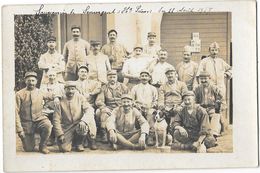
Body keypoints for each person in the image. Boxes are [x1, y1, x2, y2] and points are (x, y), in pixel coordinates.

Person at [16, 72, 59, 154]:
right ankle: (28, 139)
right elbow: (15, 113)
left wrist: (56, 97)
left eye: (33, 80)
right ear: (25, 81)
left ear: (36, 81)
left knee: (48, 125)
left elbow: (52, 95)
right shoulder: (19, 94)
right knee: (29, 149)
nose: (31, 83)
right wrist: (20, 130)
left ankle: (42, 145)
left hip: (39, 120)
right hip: (26, 123)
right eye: (29, 80)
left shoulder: (40, 92)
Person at [53, 81, 97, 152]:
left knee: (83, 127)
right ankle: (72, 140)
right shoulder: (60, 100)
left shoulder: (80, 97)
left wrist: (84, 121)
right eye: (68, 89)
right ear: (65, 89)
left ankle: (79, 143)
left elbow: (89, 109)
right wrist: (60, 134)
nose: (70, 91)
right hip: (66, 127)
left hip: (78, 124)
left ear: (75, 90)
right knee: (64, 149)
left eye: (72, 89)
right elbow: (56, 120)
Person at [95, 70, 129, 143]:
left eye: (114, 77)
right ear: (107, 78)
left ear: (117, 77)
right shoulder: (104, 88)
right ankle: (103, 132)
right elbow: (99, 101)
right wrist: (104, 108)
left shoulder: (123, 86)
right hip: (109, 108)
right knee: (101, 112)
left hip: (121, 107)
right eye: (110, 77)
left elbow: (128, 98)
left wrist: (124, 107)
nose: (112, 79)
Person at [131, 70, 158, 146]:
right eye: (142, 76)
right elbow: (131, 100)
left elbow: (156, 100)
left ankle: (150, 135)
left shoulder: (153, 88)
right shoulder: (135, 88)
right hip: (138, 107)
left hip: (149, 107)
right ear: (139, 77)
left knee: (150, 113)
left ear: (149, 78)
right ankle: (138, 135)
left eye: (146, 76)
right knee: (136, 113)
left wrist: (151, 106)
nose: (144, 78)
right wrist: (136, 105)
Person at [193, 71, 224, 136]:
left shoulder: (214, 87)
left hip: (211, 107)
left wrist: (217, 102)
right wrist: (198, 106)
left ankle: (214, 132)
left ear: (209, 78)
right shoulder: (197, 88)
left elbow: (220, 97)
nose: (203, 80)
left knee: (215, 115)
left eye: (205, 78)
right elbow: (195, 100)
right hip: (201, 107)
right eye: (201, 79)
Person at [40, 70, 65, 145]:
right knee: (47, 117)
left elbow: (63, 96)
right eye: (50, 75)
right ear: (47, 77)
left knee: (56, 117)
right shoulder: (44, 86)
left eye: (53, 75)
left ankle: (59, 136)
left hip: (59, 107)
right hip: (46, 106)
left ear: (56, 76)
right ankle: (50, 137)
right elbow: (42, 95)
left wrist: (56, 97)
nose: (52, 77)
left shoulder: (61, 86)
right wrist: (55, 96)